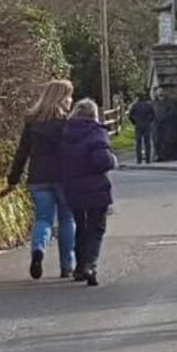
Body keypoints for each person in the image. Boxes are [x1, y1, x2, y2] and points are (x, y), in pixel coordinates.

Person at [2, 79, 76, 280]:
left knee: (43, 219)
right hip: (64, 178)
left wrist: (13, 180)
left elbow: (22, 153)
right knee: (67, 220)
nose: (71, 100)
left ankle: (38, 250)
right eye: (69, 96)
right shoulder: (68, 124)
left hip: (38, 177)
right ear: (62, 98)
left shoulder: (32, 122)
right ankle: (67, 265)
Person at [61, 99, 117, 286]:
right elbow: (102, 160)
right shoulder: (96, 132)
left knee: (80, 226)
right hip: (96, 188)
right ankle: (90, 265)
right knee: (96, 228)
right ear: (94, 114)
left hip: (72, 187)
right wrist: (112, 160)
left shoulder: (66, 133)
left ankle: (79, 267)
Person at [128, 94, 155, 164]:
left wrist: (134, 122)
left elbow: (130, 116)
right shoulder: (148, 105)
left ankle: (139, 159)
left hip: (138, 125)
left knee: (138, 143)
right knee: (147, 142)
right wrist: (149, 121)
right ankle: (148, 159)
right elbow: (153, 115)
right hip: (147, 125)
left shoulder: (135, 106)